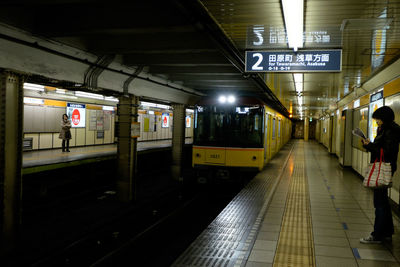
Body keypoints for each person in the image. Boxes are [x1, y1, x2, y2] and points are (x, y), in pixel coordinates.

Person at [360, 106, 400, 244]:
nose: (376, 121)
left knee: (380, 203)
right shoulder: (387, 129)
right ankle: (387, 233)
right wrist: (369, 145)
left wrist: (369, 145)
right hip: (386, 166)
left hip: (384, 167)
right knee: (383, 201)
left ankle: (377, 235)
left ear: (383, 118)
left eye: (377, 119)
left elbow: (386, 151)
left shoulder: (390, 131)